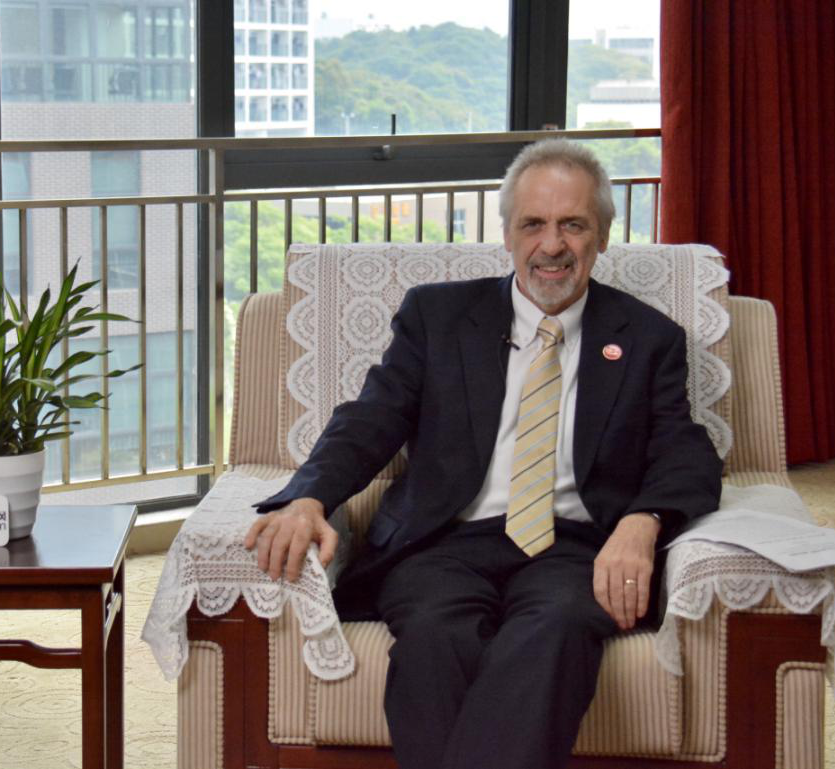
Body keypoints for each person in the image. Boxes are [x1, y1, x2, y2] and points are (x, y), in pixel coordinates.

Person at [244, 139, 723, 769]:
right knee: (433, 636)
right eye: (533, 224)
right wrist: (309, 497)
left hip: (574, 548)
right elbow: (371, 418)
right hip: (443, 542)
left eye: (573, 225)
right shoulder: (438, 315)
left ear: (603, 235)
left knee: (556, 630)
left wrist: (643, 521)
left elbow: (686, 452)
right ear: (507, 234)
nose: (552, 245)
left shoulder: (649, 337)